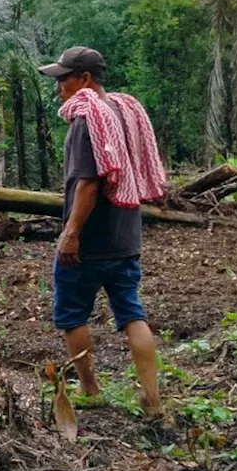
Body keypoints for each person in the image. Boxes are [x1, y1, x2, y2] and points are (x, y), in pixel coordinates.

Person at [38, 47, 168, 419]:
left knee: (72, 316)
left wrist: (71, 233)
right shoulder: (122, 111)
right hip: (126, 236)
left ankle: (91, 390)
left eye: (65, 78)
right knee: (132, 314)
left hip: (90, 242)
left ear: (86, 80)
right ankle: (152, 399)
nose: (59, 86)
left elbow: (89, 184)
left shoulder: (87, 120)